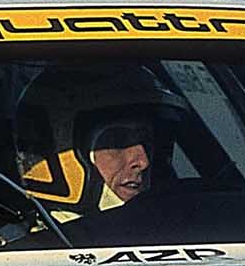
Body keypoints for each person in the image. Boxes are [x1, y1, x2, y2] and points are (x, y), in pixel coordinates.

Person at [12, 64, 187, 217]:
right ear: (58, 153)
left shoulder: (178, 230)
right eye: (117, 142)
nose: (143, 161)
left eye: (147, 141)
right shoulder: (11, 251)